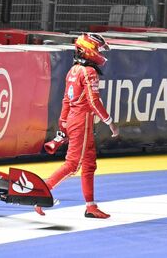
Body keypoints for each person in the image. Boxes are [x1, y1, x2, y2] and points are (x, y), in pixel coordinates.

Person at [36, 32, 120, 219]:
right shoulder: (88, 72)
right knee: (73, 165)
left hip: (76, 120)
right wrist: (110, 122)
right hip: (82, 122)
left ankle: (90, 206)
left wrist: (63, 123)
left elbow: (66, 100)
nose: (99, 52)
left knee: (89, 164)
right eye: (97, 48)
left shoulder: (73, 70)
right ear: (89, 50)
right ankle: (41, 192)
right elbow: (93, 101)